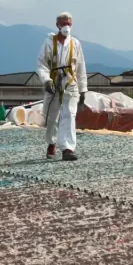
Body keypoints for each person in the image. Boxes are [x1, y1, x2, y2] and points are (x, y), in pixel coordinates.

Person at [35, 12, 87, 161]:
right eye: (64, 24)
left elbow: (81, 67)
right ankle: (52, 143)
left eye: (69, 23)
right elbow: (41, 64)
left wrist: (83, 89)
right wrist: (46, 80)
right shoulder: (49, 43)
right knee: (51, 116)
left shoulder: (75, 44)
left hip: (70, 82)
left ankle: (67, 148)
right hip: (54, 81)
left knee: (69, 114)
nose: (67, 26)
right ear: (57, 25)